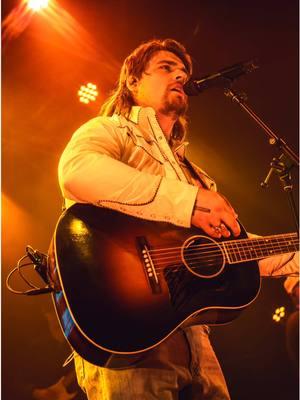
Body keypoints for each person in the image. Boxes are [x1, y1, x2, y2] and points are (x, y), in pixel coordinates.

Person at [58, 38, 298, 400]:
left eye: (183, 71)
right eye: (166, 67)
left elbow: (234, 248)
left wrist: (294, 257)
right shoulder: (110, 130)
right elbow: (77, 171)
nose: (181, 74)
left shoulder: (193, 173)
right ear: (133, 82)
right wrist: (189, 200)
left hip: (193, 333)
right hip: (129, 330)